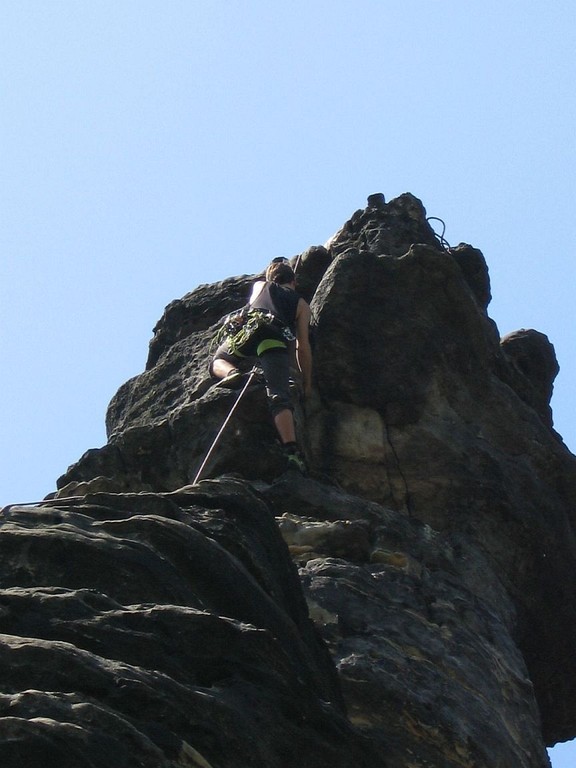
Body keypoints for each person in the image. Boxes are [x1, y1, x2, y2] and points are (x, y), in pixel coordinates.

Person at [210, 258, 312, 473]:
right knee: (278, 395)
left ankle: (233, 373)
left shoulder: (260, 285)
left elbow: (250, 307)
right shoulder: (302, 304)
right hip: (273, 339)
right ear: (293, 281)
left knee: (218, 360)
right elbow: (302, 347)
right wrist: (307, 382)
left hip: (250, 332)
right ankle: (291, 450)